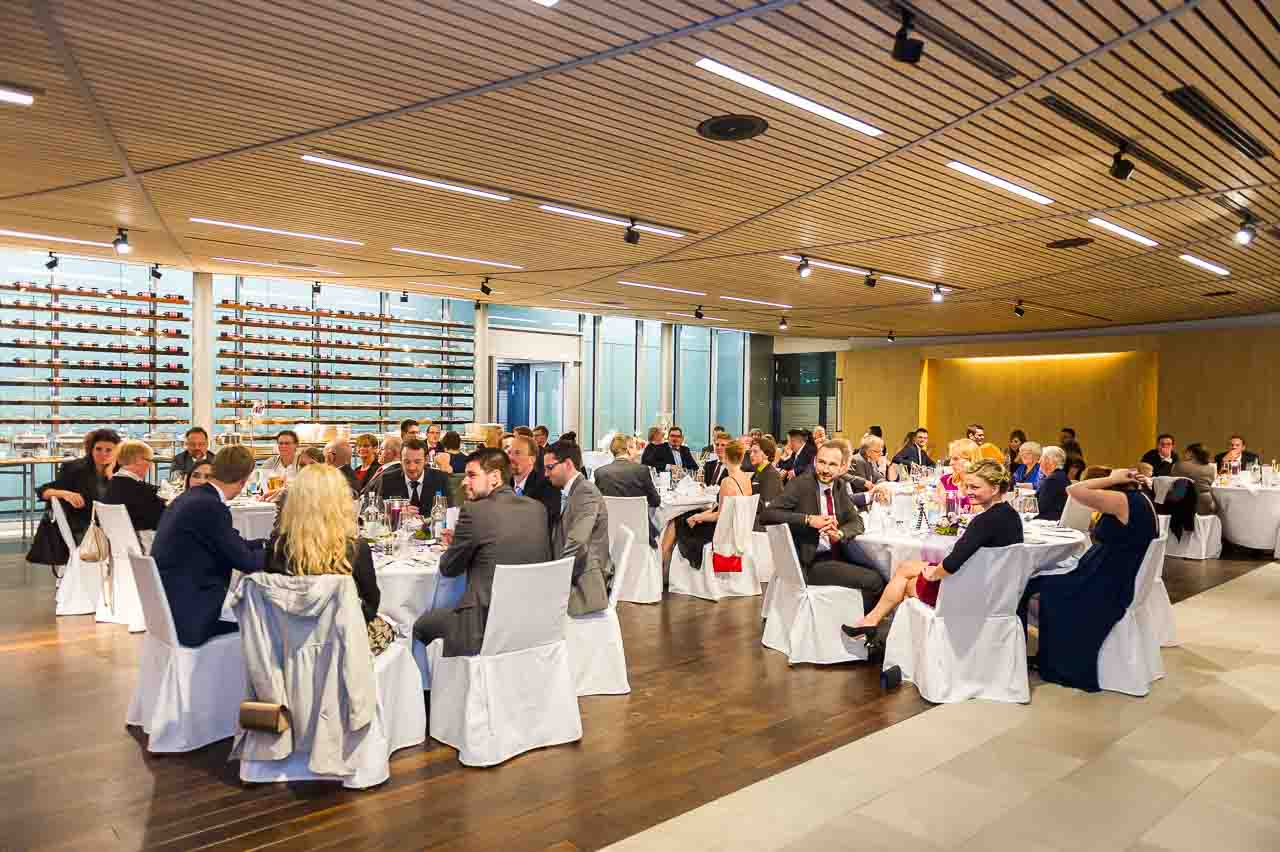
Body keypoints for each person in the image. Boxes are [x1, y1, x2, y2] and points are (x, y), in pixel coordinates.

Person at [843, 460, 1022, 638]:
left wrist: (933, 573)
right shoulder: (1011, 515)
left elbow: (952, 564)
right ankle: (870, 622)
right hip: (994, 589)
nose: (968, 492)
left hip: (969, 593)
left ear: (995, 489)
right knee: (905, 567)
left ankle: (905, 649)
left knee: (908, 584)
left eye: (975, 488)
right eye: (967, 486)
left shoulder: (984, 522)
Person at [1024, 467, 1158, 692]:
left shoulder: (1122, 501)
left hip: (1105, 583)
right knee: (1042, 582)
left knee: (1037, 586)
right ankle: (1047, 653)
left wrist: (1109, 479)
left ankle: (1053, 660)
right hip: (1112, 574)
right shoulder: (1140, 499)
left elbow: (1074, 489)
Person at [413, 448, 552, 657]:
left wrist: (456, 546)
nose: (463, 482)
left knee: (419, 625)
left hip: (481, 625)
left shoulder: (474, 511)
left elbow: (448, 568)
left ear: (495, 477)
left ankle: (424, 689)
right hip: (531, 622)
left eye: (472, 475)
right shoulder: (537, 509)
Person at [263, 464, 392, 656]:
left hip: (289, 643)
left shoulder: (277, 547)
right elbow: (370, 605)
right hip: (342, 646)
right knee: (389, 627)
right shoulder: (356, 549)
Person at [151, 445, 267, 647]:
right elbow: (245, 561)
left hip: (174, 606)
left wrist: (265, 544)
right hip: (193, 617)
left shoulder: (192, 497)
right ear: (243, 481)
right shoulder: (210, 506)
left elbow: (230, 544)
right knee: (265, 624)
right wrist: (285, 554)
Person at [761, 444, 884, 608]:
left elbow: (857, 522)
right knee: (874, 580)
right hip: (810, 562)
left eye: (832, 464)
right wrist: (808, 519)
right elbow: (767, 515)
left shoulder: (838, 486)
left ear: (842, 468)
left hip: (835, 556)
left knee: (880, 571)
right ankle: (857, 626)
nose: (825, 469)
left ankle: (845, 617)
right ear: (814, 461)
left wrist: (840, 533)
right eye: (821, 462)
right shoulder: (801, 485)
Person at [544, 440, 613, 615]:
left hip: (586, 581)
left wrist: (556, 573)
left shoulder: (585, 491)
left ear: (567, 464)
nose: (545, 474)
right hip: (577, 570)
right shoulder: (573, 490)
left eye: (550, 467)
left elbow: (577, 540)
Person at [677, 440, 753, 569]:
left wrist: (697, 518)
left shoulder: (727, 481)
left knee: (681, 521)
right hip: (738, 529)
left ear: (727, 457)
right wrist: (701, 515)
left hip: (723, 531)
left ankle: (674, 568)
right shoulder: (746, 479)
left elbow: (719, 516)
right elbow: (722, 509)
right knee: (690, 516)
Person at [37, 428, 120, 543]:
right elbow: (43, 491)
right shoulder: (74, 468)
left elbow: (123, 497)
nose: (103, 454)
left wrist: (110, 475)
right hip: (85, 528)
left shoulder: (120, 470)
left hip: (114, 525)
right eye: (98, 449)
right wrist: (65, 493)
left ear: (117, 452)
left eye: (109, 450)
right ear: (91, 449)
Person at [594, 434, 660, 547]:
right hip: (639, 532)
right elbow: (655, 502)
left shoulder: (600, 473)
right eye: (634, 447)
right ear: (628, 449)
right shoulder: (641, 470)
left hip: (610, 531)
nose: (637, 451)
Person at [374, 437, 452, 514]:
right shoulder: (386, 480)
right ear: (400, 460)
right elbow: (376, 509)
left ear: (426, 460)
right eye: (407, 462)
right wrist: (396, 513)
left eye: (417, 462)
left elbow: (450, 511)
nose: (412, 468)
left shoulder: (441, 478)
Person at [104, 439, 167, 532]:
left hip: (118, 542)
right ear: (138, 460)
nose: (150, 465)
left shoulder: (111, 484)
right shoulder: (144, 492)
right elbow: (164, 520)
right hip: (145, 541)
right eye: (149, 460)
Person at [507, 433, 560, 527]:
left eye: (517, 453)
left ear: (532, 459)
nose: (510, 457)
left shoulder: (547, 487)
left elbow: (546, 522)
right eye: (509, 452)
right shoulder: (504, 485)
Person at [1173, 443, 1218, 515]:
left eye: (1185, 452)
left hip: (1188, 505)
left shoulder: (1179, 466)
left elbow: (1173, 483)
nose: (1183, 454)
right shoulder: (1212, 467)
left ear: (1191, 453)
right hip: (1207, 503)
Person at [937, 438, 980, 509]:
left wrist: (969, 479)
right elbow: (940, 510)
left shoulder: (982, 485)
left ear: (970, 460)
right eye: (950, 458)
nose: (950, 463)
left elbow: (980, 513)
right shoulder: (946, 481)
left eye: (956, 459)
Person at [749, 436, 784, 517]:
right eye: (751, 452)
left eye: (755, 452)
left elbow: (767, 504)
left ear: (766, 454)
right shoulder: (759, 470)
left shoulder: (771, 474)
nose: (751, 455)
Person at [1034, 446, 1070, 521]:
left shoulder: (1051, 480)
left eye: (1041, 458)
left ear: (1049, 461)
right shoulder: (1062, 475)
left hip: (1048, 523)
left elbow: (1040, 508)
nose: (1039, 462)